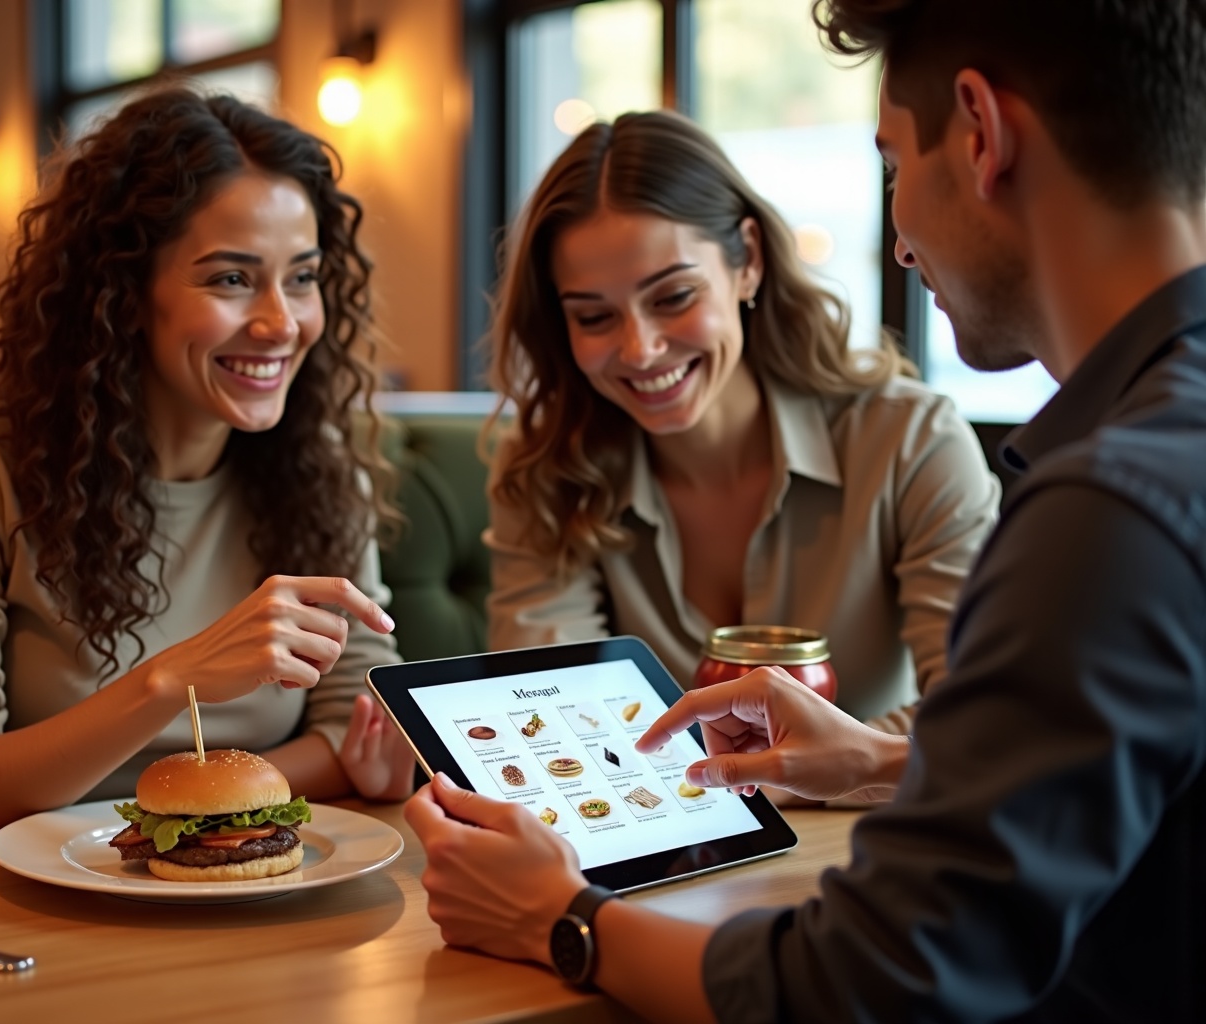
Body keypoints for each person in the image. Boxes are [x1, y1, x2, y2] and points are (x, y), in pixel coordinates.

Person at [406, 1, 1206, 1020]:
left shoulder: (1104, 509)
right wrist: (872, 756)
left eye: (889, 161)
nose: (902, 242)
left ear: (979, 133)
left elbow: (873, 980)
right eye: (595, 316)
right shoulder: (1150, 458)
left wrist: (561, 920)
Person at [0, 88, 416, 851]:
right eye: (231, 279)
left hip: (193, 890)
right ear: (123, 293)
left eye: (301, 278)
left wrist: (184, 813)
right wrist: (173, 682)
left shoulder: (319, 471)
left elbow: (361, 729)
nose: (281, 322)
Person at [484, 109, 998, 742]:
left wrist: (800, 771)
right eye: (594, 317)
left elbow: (983, 713)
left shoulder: (911, 442)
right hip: (661, 834)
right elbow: (550, 716)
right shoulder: (546, 469)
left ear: (748, 261)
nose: (640, 349)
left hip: (871, 834)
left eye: (673, 298)